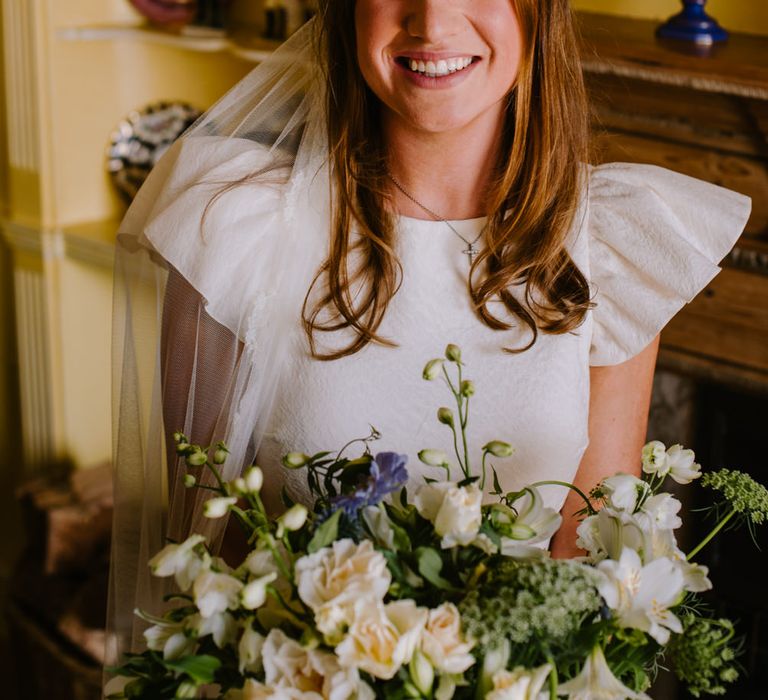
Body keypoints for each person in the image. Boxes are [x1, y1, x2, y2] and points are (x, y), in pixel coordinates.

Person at [108, 0, 751, 666]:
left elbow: (592, 568)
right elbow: (216, 568)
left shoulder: (613, 249)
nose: (433, 22)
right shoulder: (234, 233)